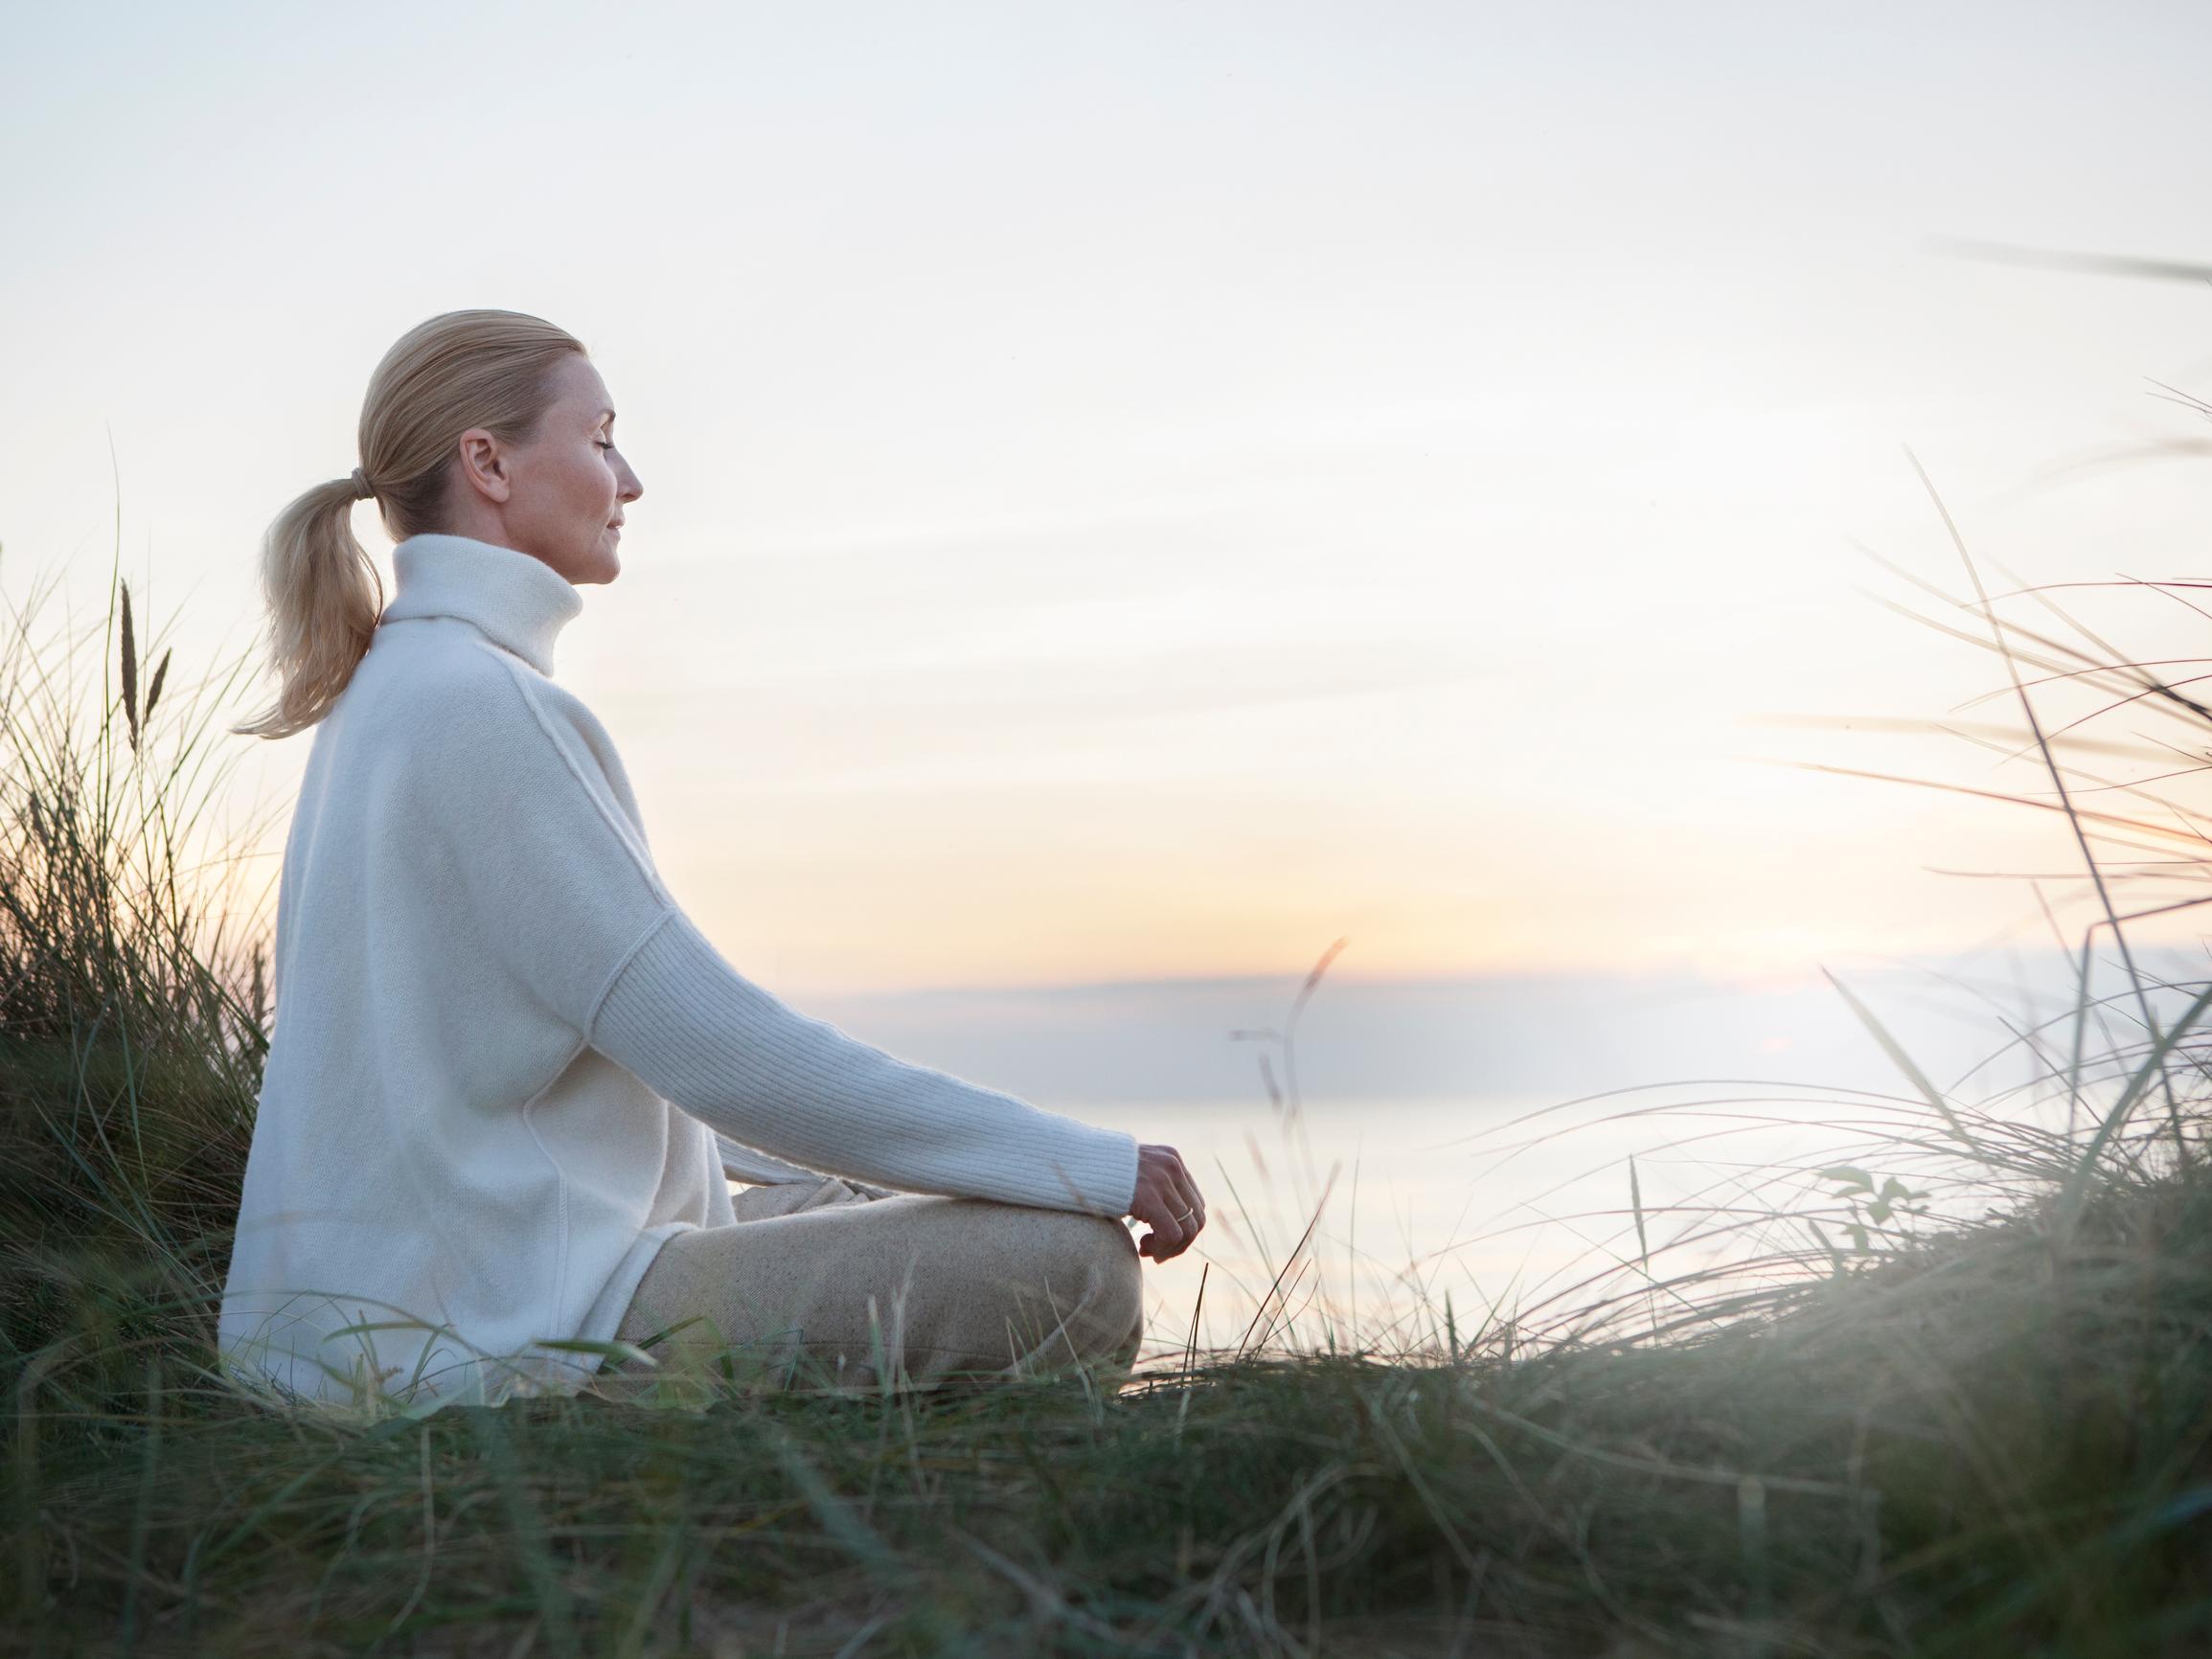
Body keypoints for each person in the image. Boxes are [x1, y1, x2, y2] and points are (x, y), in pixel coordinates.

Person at [216, 307, 1207, 1413]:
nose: (628, 479)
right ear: (487, 463)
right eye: (599, 439)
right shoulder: (483, 709)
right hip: (504, 1336)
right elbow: (718, 1050)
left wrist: (839, 1188)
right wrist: (1084, 1164)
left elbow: (626, 1056)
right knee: (1068, 1267)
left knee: (846, 1198)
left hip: (398, 1317)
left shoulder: (390, 695)